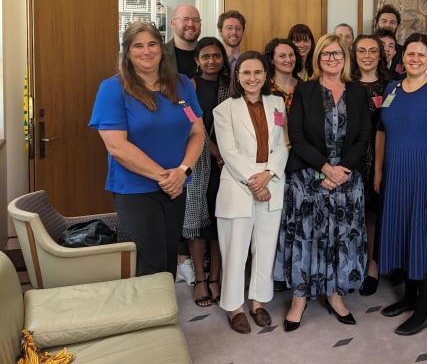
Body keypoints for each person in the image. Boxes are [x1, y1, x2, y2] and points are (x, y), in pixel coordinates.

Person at [89, 21, 204, 276]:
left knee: (168, 257)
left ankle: (165, 314)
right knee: (148, 263)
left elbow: (197, 132)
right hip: (136, 190)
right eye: (138, 46)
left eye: (152, 44)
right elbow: (116, 146)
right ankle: (148, 315)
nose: (147, 51)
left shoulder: (182, 84)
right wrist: (165, 177)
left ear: (162, 49)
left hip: (176, 188)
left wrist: (182, 171)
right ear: (127, 52)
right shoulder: (113, 89)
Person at [273, 34, 370, 332]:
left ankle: (335, 295)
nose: (331, 59)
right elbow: (298, 138)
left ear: (345, 58)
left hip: (347, 178)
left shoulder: (357, 92)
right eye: (325, 54)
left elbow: (364, 137)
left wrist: (341, 171)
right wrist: (326, 169)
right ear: (317, 58)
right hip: (309, 177)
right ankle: (299, 299)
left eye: (337, 54)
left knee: (341, 239)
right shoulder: (305, 90)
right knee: (308, 238)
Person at [375, 33, 427, 336]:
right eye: (411, 53)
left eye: (422, 54)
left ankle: (423, 311)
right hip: (396, 175)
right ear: (402, 56)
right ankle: (408, 298)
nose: (416, 59)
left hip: (426, 177)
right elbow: (381, 133)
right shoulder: (391, 88)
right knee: (406, 235)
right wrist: (378, 172)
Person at [213, 51, 289, 334]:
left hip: (271, 181)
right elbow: (229, 152)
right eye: (246, 73)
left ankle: (258, 302)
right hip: (238, 185)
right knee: (235, 250)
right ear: (237, 76)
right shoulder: (224, 109)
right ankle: (235, 307)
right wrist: (255, 182)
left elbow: (283, 145)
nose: (252, 78)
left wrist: (268, 175)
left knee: (265, 247)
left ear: (266, 75)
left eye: (258, 72)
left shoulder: (277, 103)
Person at [183, 37, 230, 307]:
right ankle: (200, 279)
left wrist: (226, 156)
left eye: (216, 56)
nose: (212, 61)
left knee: (220, 219)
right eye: (206, 56)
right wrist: (216, 152)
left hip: (227, 164)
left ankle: (215, 277)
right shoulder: (188, 86)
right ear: (197, 60)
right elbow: (192, 122)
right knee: (196, 222)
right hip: (197, 159)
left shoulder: (231, 85)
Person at [350, 33, 389, 296]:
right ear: (354, 55)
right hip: (350, 156)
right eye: (361, 50)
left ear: (380, 54)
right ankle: (351, 262)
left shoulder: (390, 85)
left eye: (372, 50)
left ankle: (372, 265)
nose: (367, 55)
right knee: (352, 213)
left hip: (381, 155)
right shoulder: (346, 83)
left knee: (373, 213)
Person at [264, 38, 302, 113]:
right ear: (271, 60)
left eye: (291, 55)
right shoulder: (265, 88)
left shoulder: (305, 87)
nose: (288, 60)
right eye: (282, 56)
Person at [165, 4, 202, 78]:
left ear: (200, 25)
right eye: (185, 19)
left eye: (196, 20)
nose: (190, 24)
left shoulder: (209, 53)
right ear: (173, 23)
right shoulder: (159, 54)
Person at [375, 5, 404, 75]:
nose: (388, 25)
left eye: (392, 22)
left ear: (397, 26)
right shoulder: (366, 49)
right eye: (384, 21)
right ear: (376, 24)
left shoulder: (403, 52)